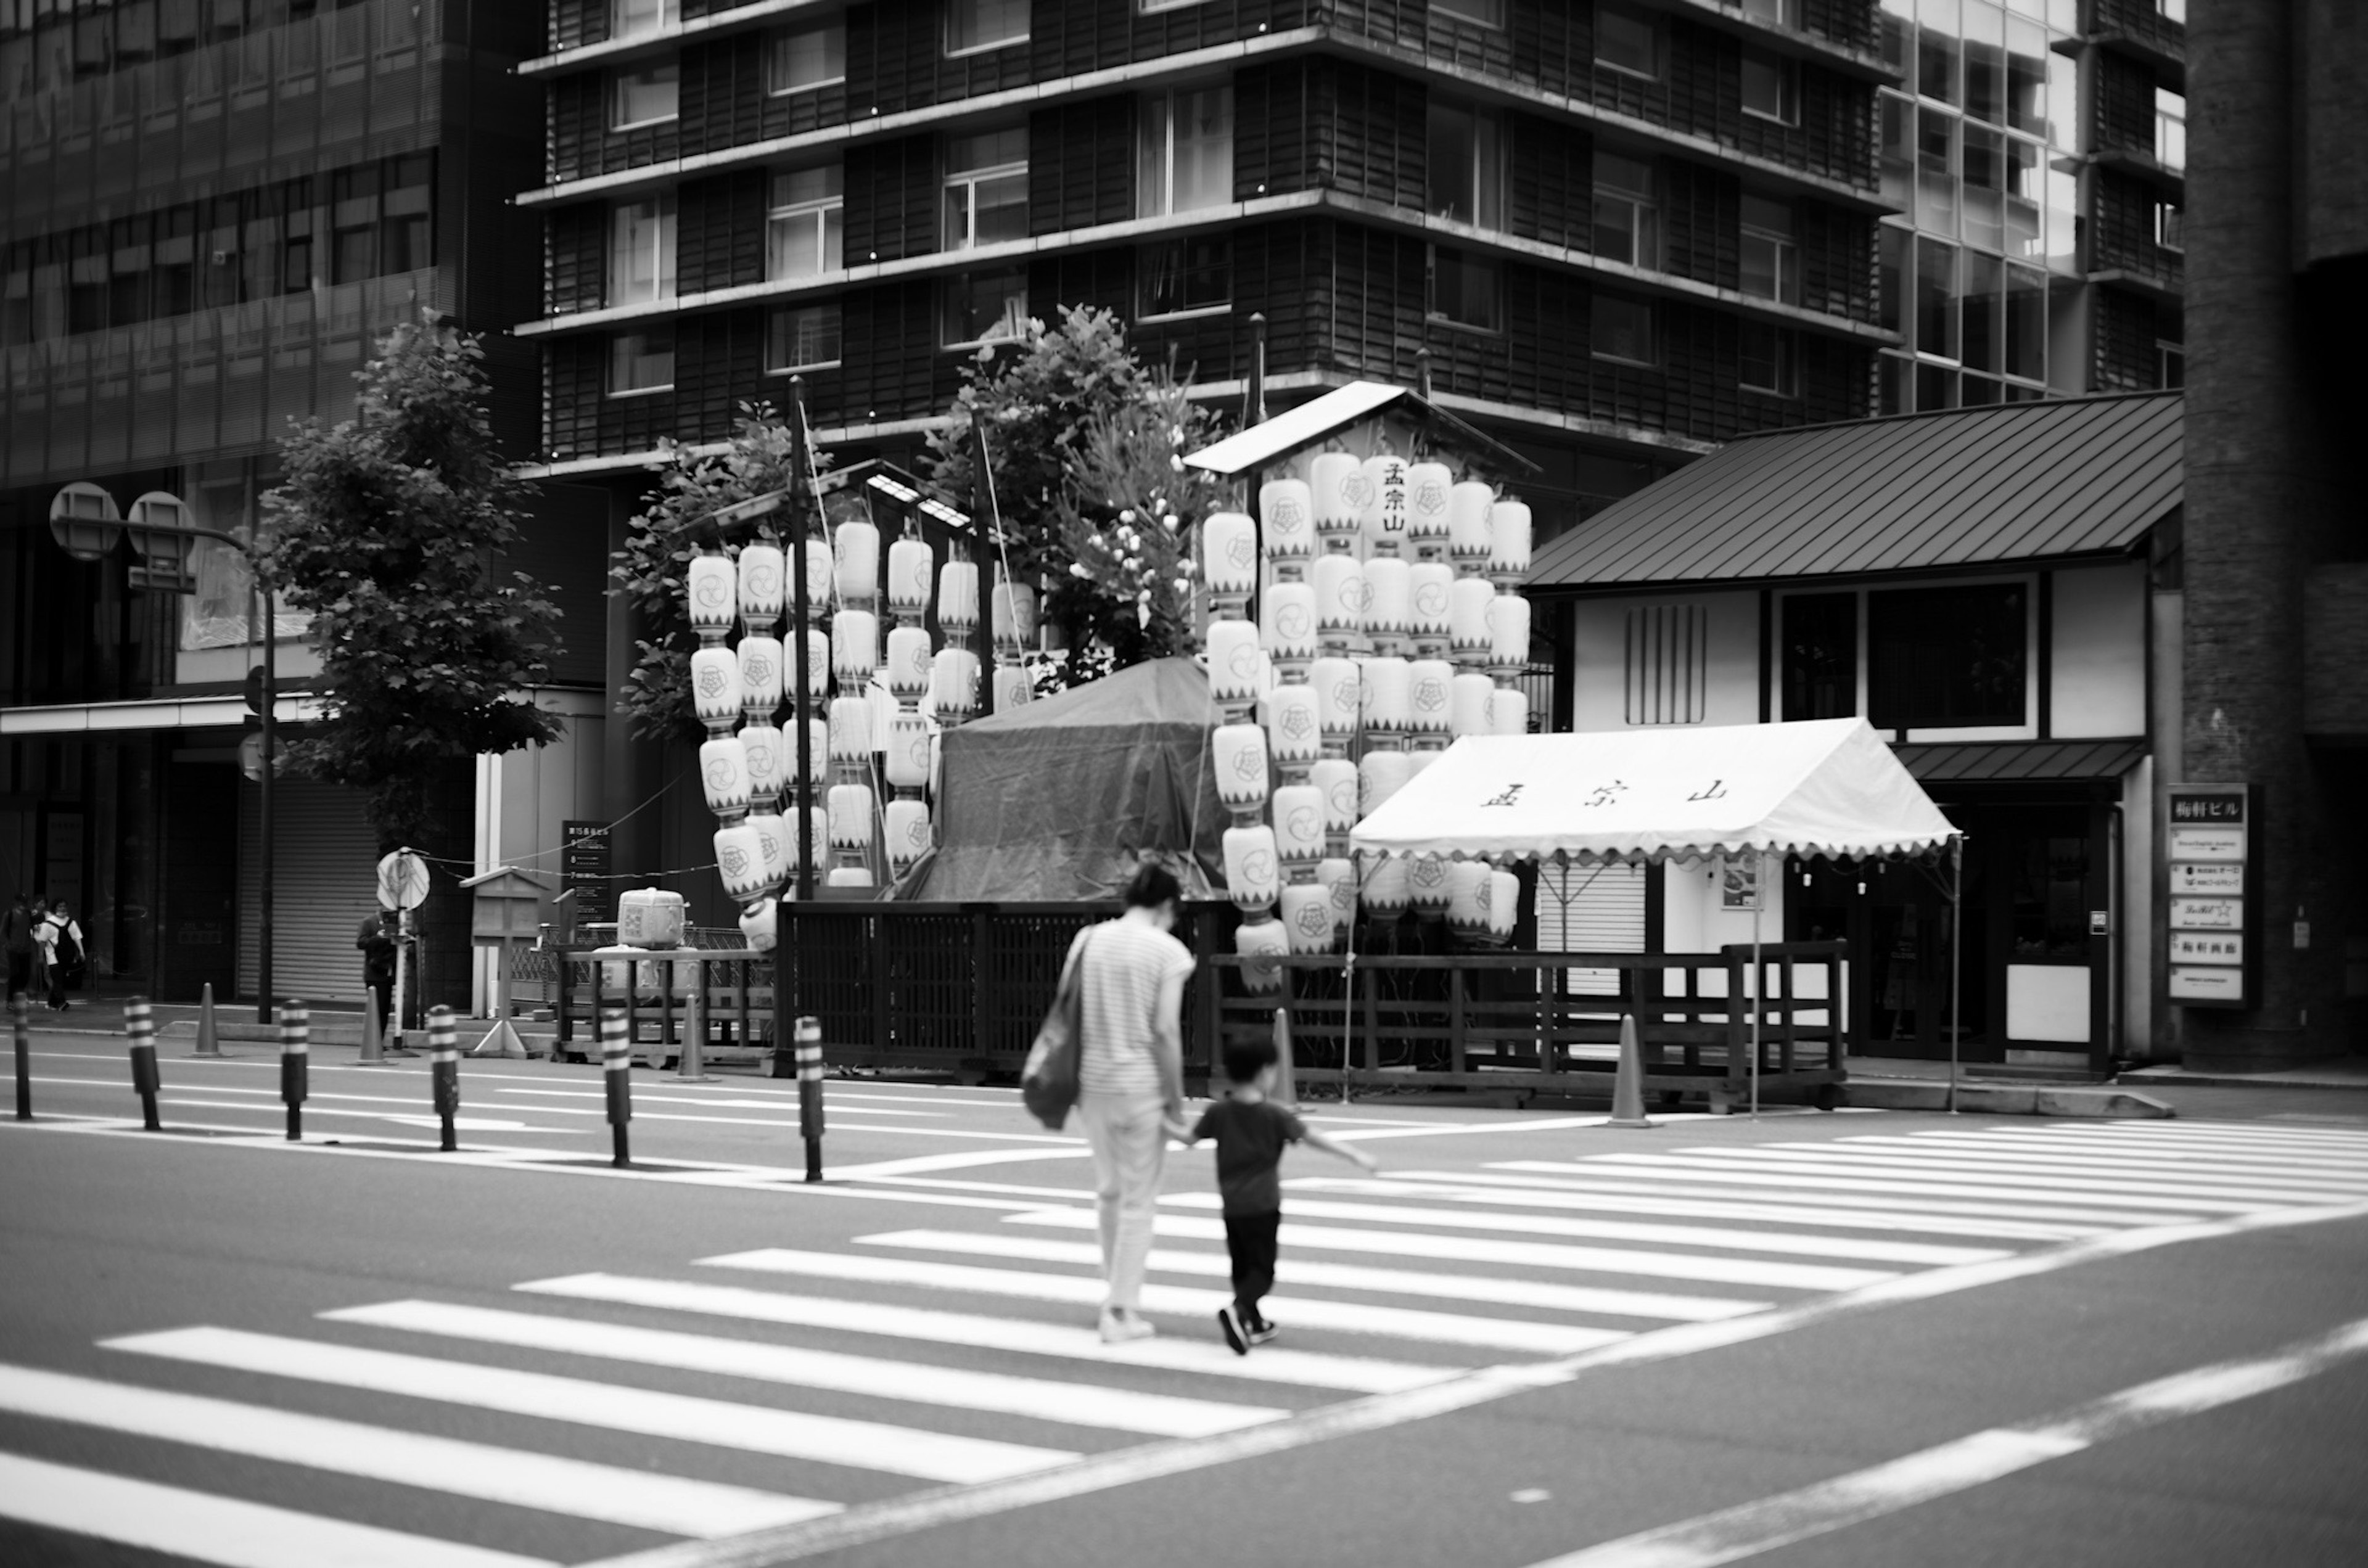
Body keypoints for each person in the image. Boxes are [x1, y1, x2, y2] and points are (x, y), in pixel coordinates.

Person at [1167, 1035, 1379, 1355]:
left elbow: (1186, 1139)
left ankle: (1256, 1323)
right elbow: (1313, 1138)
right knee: (1263, 1272)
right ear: (1265, 1072)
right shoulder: (1275, 1115)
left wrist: (1156, 1121)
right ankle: (1238, 1310)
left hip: (1232, 1206)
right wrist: (1355, 1156)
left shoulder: (1219, 1112)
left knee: (1242, 1266)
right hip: (1264, 1206)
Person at [1071, 861, 1196, 1345]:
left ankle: (1113, 1292)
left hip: (1092, 1082)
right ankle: (1120, 1309)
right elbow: (1165, 1029)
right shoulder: (1169, 951)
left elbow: (1071, 1010)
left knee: (1109, 1190)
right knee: (1140, 1198)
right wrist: (1175, 1098)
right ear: (1167, 906)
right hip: (1140, 1084)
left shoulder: (1089, 940)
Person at [356, 909, 399, 1040]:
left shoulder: (393, 923)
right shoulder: (369, 922)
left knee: (384, 1010)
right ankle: (373, 1040)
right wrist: (378, 938)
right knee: (376, 1008)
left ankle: (379, 1040)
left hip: (388, 971)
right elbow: (361, 943)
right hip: (374, 972)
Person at [35, 898, 82, 1013]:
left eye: (64, 906)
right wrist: (41, 956)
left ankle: (52, 1003)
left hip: (66, 956)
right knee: (58, 980)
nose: (63, 908)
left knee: (59, 980)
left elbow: (77, 938)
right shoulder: (48, 924)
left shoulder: (71, 922)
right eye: (60, 906)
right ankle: (62, 1002)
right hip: (52, 957)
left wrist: (81, 952)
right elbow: (42, 941)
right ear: (55, 908)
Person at [3, 894, 33, 1001]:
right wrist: (9, 944)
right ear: (16, 902)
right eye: (21, 902)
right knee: (15, 974)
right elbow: (4, 931)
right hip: (14, 949)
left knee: (25, 974)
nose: (23, 904)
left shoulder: (29, 914)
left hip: (26, 949)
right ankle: (10, 998)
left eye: (25, 902)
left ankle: (19, 995)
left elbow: (33, 927)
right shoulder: (10, 914)